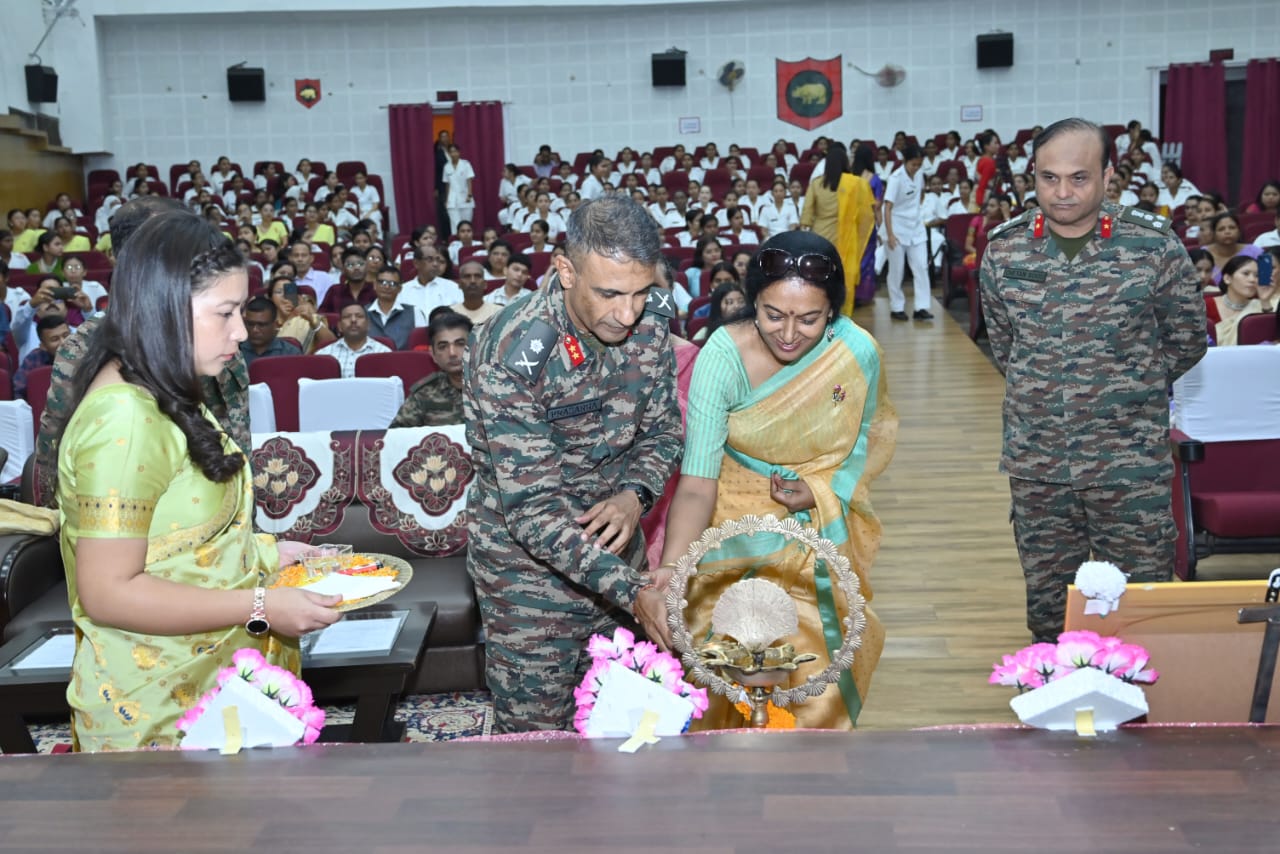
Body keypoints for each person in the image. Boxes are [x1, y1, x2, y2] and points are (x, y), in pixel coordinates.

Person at [49, 211, 342, 751]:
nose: (240, 331)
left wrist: (267, 554)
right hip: (160, 710)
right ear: (163, 308)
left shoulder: (166, 389)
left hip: (208, 683)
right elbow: (108, 592)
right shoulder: (124, 419)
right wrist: (260, 606)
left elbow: (175, 541)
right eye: (224, 313)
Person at [979, 118, 1207, 644]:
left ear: (1107, 175)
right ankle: (1055, 714)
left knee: (1138, 606)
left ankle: (1145, 720)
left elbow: (1188, 340)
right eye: (1049, 178)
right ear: (1032, 178)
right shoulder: (1005, 251)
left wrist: (1124, 388)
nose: (1062, 192)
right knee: (1050, 610)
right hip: (1040, 466)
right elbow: (1004, 345)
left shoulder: (1152, 247)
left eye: (1079, 178)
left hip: (1127, 465)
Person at [659, 230, 895, 729]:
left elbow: (863, 444)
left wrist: (819, 491)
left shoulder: (855, 354)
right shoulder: (723, 356)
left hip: (812, 532)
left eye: (809, 318)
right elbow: (698, 482)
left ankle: (807, 789)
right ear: (751, 303)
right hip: (729, 529)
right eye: (773, 315)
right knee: (727, 655)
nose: (789, 334)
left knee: (814, 661)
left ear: (833, 310)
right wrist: (672, 575)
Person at [464, 195, 682, 732]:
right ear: (565, 270)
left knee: (628, 729)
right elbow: (534, 511)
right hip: (529, 584)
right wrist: (634, 592)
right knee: (537, 750)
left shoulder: (649, 321)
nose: (627, 313)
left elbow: (663, 430)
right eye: (609, 293)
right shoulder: (510, 351)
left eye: (640, 292)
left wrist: (636, 496)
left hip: (619, 560)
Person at [389, 311, 472, 427]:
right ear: (433, 354)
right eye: (443, 346)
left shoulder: (500, 387)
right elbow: (396, 436)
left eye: (460, 344)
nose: (452, 353)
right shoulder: (424, 393)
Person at [884, 144, 933, 321]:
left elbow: (919, 194)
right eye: (913, 164)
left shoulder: (919, 173)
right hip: (896, 227)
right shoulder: (895, 178)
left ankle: (921, 307)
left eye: (919, 164)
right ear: (905, 161)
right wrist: (889, 234)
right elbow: (887, 207)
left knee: (921, 266)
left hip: (916, 227)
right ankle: (896, 307)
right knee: (897, 270)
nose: (916, 168)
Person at [1204, 255, 1263, 345]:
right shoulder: (1205, 306)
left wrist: (1265, 300)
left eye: (1257, 275)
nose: (1252, 280)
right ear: (1227, 278)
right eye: (1246, 273)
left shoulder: (1260, 306)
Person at [366, 264, 425, 350]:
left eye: (392, 284)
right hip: (370, 361)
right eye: (382, 282)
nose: (387, 287)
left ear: (400, 288)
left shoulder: (414, 312)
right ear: (375, 285)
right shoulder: (362, 313)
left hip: (403, 361)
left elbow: (421, 345)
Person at [14, 314, 70, 399]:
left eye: (66, 335)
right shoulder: (34, 359)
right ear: (43, 346)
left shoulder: (85, 353)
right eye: (55, 339)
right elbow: (18, 391)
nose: (63, 342)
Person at [240, 295, 303, 368]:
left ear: (275, 325)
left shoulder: (291, 354)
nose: (255, 330)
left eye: (261, 325)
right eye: (250, 324)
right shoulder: (236, 352)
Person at [449, 259, 502, 325]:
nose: (472, 281)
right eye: (467, 276)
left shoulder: (499, 312)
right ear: (460, 284)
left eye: (477, 276)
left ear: (485, 284)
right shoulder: (450, 313)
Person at [442, 144, 476, 232]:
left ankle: (467, 244)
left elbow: (469, 180)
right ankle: (456, 244)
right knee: (455, 225)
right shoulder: (446, 166)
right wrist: (446, 199)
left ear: (459, 152)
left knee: (466, 224)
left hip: (465, 197)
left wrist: (469, 194)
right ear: (449, 154)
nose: (453, 154)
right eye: (451, 152)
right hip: (452, 199)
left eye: (455, 151)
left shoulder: (466, 164)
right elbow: (447, 184)